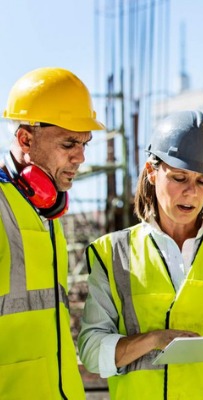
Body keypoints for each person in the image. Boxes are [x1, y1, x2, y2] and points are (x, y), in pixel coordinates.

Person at [77, 110, 203, 399]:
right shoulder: (112, 254)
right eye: (179, 178)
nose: (191, 193)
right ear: (152, 172)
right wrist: (154, 339)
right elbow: (92, 352)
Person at [0, 67, 105, 399]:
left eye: (85, 143)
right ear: (26, 139)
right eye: (69, 143)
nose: (81, 157)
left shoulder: (46, 213)